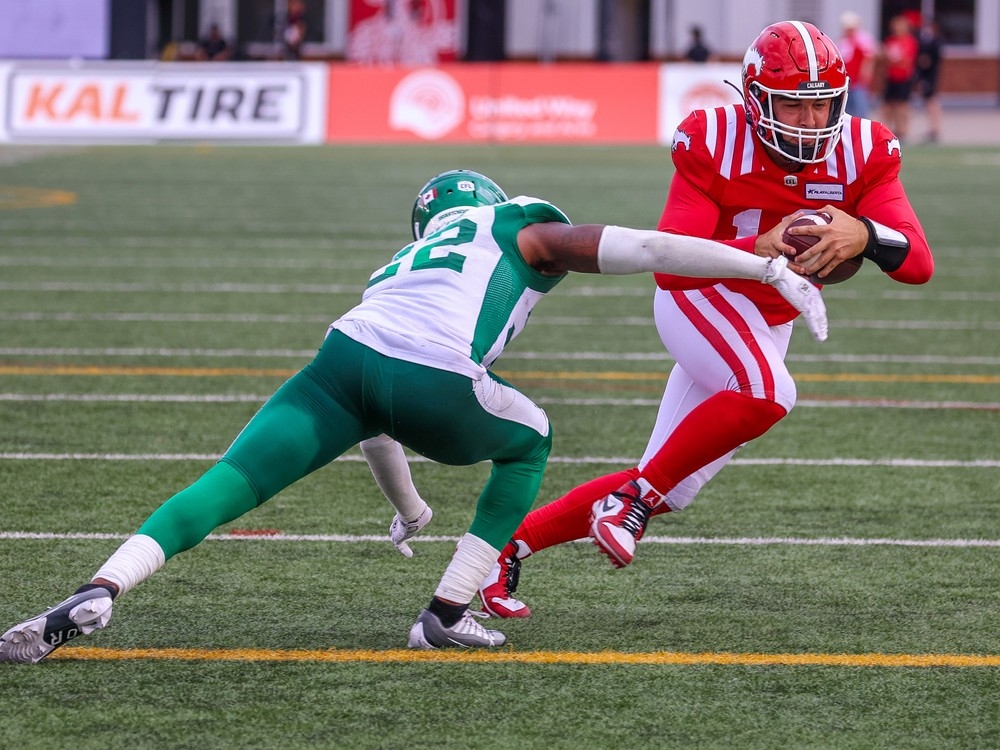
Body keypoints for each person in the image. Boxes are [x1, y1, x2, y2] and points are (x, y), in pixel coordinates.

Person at [0, 170, 828, 662]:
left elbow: (374, 414)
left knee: (229, 482)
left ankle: (101, 585)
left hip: (345, 357)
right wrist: (762, 268)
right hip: (429, 371)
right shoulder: (522, 227)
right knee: (530, 437)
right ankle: (447, 613)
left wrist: (408, 507)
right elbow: (649, 249)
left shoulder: (402, 260)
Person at [470, 20, 935, 619]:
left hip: (767, 319)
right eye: (793, 107)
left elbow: (917, 264)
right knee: (768, 392)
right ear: (757, 99)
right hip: (704, 295)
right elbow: (673, 265)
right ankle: (630, 499)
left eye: (821, 108)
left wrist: (866, 234)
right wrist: (756, 251)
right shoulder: (712, 138)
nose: (810, 124)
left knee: (675, 481)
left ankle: (505, 551)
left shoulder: (864, 150)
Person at [879, 14, 919, 142]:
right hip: (891, 77)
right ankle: (887, 130)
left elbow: (906, 60)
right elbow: (885, 59)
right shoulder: (890, 41)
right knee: (888, 105)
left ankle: (903, 131)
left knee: (902, 105)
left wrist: (893, 60)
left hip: (903, 78)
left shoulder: (909, 41)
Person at [838, 11, 877, 118]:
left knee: (860, 106)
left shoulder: (862, 39)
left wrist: (865, 75)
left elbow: (868, 59)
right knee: (847, 107)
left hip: (858, 79)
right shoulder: (844, 39)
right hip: (847, 79)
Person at [914, 17, 943, 143]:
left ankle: (935, 128)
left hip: (931, 76)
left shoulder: (936, 41)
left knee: (932, 101)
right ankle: (932, 128)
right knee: (928, 102)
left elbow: (936, 58)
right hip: (924, 76)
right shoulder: (921, 41)